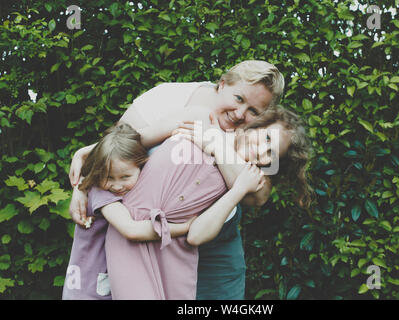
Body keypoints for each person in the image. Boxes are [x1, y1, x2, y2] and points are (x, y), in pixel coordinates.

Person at [67, 60, 288, 299]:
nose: (240, 114)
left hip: (215, 232)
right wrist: (83, 178)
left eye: (254, 111)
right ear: (222, 84)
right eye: (238, 99)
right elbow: (117, 150)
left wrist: (216, 145)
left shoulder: (259, 138)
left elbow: (259, 195)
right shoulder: (169, 100)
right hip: (154, 230)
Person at [102, 107, 311, 299]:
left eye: (271, 154)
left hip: (170, 258)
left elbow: (196, 235)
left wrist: (237, 186)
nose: (261, 150)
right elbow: (130, 144)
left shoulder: (243, 183)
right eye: (266, 137)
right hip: (128, 235)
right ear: (257, 125)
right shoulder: (207, 126)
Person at [62, 123, 196, 299]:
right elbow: (131, 230)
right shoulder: (100, 193)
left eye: (125, 177)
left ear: (142, 167)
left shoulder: (112, 189)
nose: (117, 185)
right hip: (89, 289)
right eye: (108, 177)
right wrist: (186, 227)